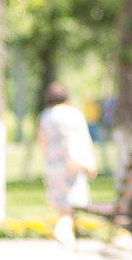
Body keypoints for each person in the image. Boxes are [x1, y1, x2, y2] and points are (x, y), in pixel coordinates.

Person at [36, 82, 97, 249]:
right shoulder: (74, 114)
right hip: (72, 164)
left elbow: (41, 141)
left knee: (61, 203)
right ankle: (64, 230)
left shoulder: (45, 116)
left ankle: (66, 235)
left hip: (52, 165)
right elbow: (84, 139)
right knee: (70, 202)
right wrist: (90, 161)